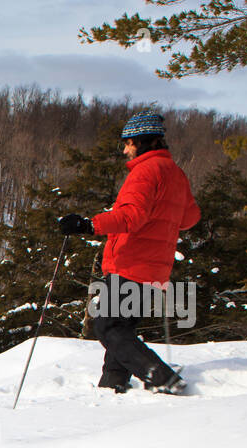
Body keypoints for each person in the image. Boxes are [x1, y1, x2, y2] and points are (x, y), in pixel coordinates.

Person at [58, 111, 200, 394]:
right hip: (155, 268)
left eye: (128, 143)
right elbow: (190, 219)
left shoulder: (146, 172)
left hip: (131, 262)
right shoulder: (175, 173)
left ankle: (161, 377)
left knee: (107, 327)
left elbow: (131, 217)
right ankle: (113, 384)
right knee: (120, 327)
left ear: (142, 142)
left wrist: (88, 225)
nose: (125, 149)